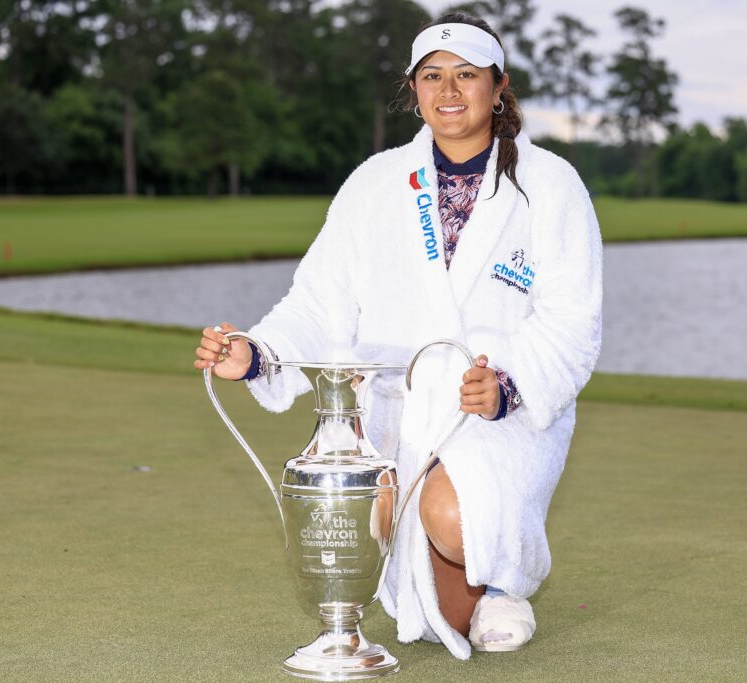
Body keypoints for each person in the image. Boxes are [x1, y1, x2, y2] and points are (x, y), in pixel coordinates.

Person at [193, 13, 602, 660]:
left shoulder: (551, 186)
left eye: (466, 75)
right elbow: (321, 300)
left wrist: (508, 384)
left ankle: (503, 581)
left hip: (503, 413)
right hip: (400, 414)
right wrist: (257, 354)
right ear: (412, 89)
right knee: (440, 615)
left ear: (499, 87)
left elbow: (573, 321)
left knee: (451, 519)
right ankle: (463, 582)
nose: (448, 90)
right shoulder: (375, 183)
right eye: (432, 76)